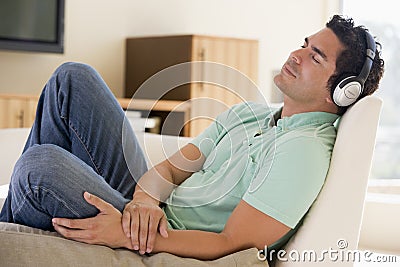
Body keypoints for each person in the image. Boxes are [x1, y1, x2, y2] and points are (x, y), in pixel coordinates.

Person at [0, 15, 384, 260]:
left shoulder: (304, 153)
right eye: (304, 43)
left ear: (343, 91)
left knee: (40, 167)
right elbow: (171, 169)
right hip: (151, 214)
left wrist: (130, 234)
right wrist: (146, 200)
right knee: (73, 78)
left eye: (316, 57)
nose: (296, 54)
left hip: (167, 239)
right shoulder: (250, 114)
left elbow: (233, 245)